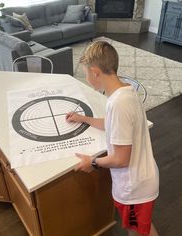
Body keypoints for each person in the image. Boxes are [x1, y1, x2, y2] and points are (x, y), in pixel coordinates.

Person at [66, 41, 159, 236]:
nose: (87, 79)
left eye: (86, 74)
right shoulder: (124, 92)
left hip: (134, 188)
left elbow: (120, 159)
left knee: (139, 231)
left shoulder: (118, 104)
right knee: (139, 228)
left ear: (95, 72)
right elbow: (110, 123)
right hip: (139, 181)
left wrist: (92, 162)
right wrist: (82, 118)